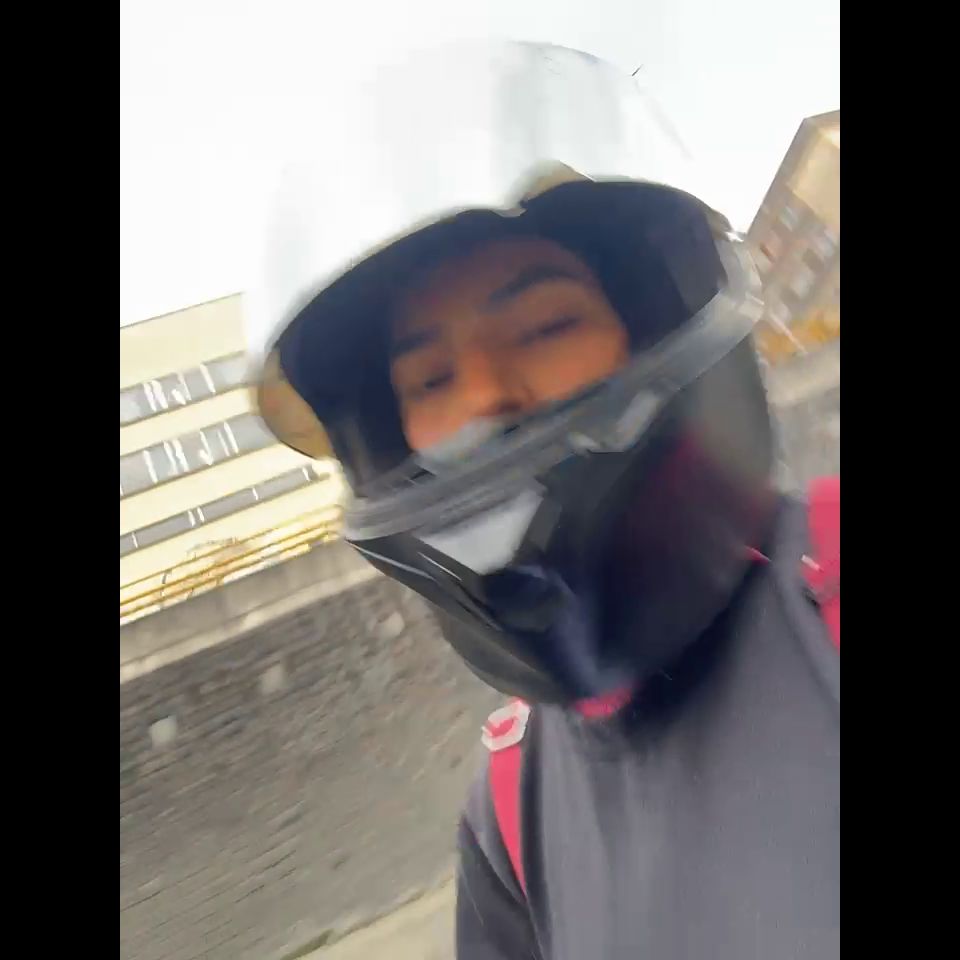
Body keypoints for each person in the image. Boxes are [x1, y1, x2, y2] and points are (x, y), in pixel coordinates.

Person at [247, 41, 839, 960]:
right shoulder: (508, 813)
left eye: (546, 325)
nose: (486, 397)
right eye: (430, 380)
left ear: (664, 322)